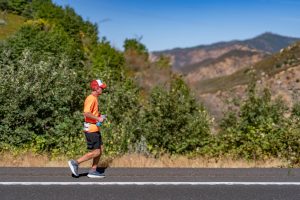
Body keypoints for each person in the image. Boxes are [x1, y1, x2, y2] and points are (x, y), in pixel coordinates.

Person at [68, 79, 107, 178]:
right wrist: (98, 118)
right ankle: (75, 163)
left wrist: (100, 116)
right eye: (101, 88)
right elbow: (86, 113)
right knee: (96, 152)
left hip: (94, 128)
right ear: (96, 88)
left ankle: (93, 170)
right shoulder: (91, 98)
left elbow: (91, 113)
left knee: (100, 149)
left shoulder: (95, 98)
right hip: (91, 129)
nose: (102, 89)